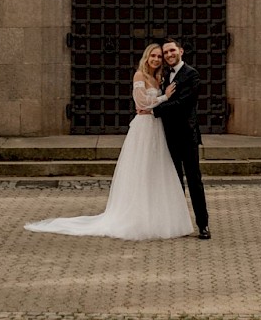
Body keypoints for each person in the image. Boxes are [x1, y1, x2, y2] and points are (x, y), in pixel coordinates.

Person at [24, 45, 193, 240]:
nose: (155, 59)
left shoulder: (159, 78)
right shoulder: (140, 76)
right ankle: (138, 218)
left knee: (157, 171)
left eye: (158, 56)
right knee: (141, 169)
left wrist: (160, 101)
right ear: (146, 58)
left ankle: (158, 217)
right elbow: (141, 104)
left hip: (157, 127)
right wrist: (164, 97)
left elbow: (155, 106)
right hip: (144, 128)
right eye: (152, 56)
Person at [153, 37, 210, 240]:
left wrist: (157, 109)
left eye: (171, 51)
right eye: (166, 52)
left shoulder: (191, 74)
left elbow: (184, 103)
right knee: (174, 181)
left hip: (187, 135)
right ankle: (177, 224)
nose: (169, 55)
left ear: (181, 51)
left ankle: (202, 224)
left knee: (194, 180)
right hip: (168, 136)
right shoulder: (164, 74)